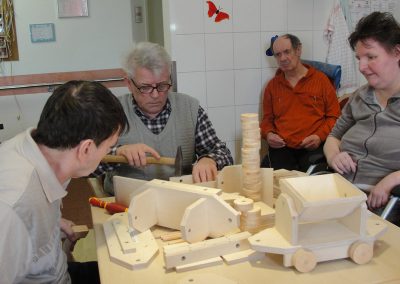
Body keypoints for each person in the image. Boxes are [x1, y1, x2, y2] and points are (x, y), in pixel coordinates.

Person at [0, 81, 129, 283]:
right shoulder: (15, 210)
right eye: (109, 147)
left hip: (57, 269)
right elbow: (17, 214)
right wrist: (29, 225)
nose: (108, 154)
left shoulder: (45, 149)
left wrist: (51, 222)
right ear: (85, 149)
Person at [97, 41, 233, 195]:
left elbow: (224, 153)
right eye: (145, 87)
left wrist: (210, 159)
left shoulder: (189, 108)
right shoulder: (111, 112)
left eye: (162, 86)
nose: (155, 95)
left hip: (179, 198)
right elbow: (87, 167)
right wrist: (118, 152)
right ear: (128, 83)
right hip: (126, 203)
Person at [324, 11, 400, 211]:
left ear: (397, 53)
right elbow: (333, 137)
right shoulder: (360, 96)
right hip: (339, 191)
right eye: (359, 58)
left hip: (384, 202)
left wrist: (391, 180)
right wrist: (334, 156)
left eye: (371, 57)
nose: (362, 67)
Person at [260, 34, 341, 172]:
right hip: (282, 148)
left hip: (314, 147)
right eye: (278, 55)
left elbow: (335, 117)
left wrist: (319, 136)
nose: (283, 58)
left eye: (287, 52)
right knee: (276, 182)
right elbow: (267, 120)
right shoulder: (272, 86)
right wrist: (268, 134)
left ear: (298, 50)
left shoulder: (320, 81)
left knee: (316, 183)